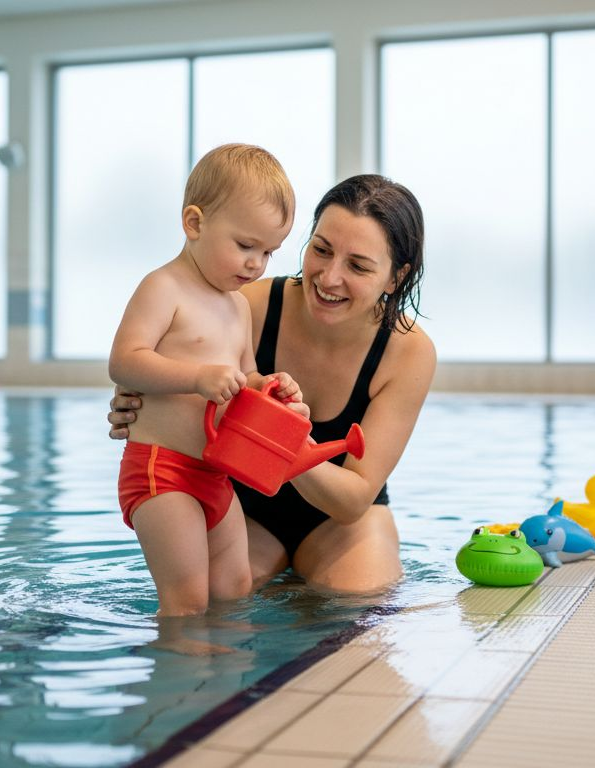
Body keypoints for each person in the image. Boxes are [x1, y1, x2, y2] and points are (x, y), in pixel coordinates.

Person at [109, 174, 435, 595]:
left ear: (395, 277)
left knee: (357, 599)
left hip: (340, 519)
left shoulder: (406, 351)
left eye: (357, 266)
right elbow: (156, 363)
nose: (329, 277)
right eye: (321, 249)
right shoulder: (250, 304)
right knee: (211, 598)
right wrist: (139, 403)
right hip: (249, 511)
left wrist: (283, 446)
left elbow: (354, 498)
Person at [109, 144, 308, 620]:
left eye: (268, 252)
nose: (257, 264)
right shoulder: (164, 288)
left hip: (214, 473)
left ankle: (226, 686)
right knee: (187, 599)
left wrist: (270, 387)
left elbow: (242, 377)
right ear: (194, 223)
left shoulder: (238, 305)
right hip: (163, 470)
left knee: (234, 588)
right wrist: (197, 377)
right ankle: (180, 688)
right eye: (245, 246)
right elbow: (125, 361)